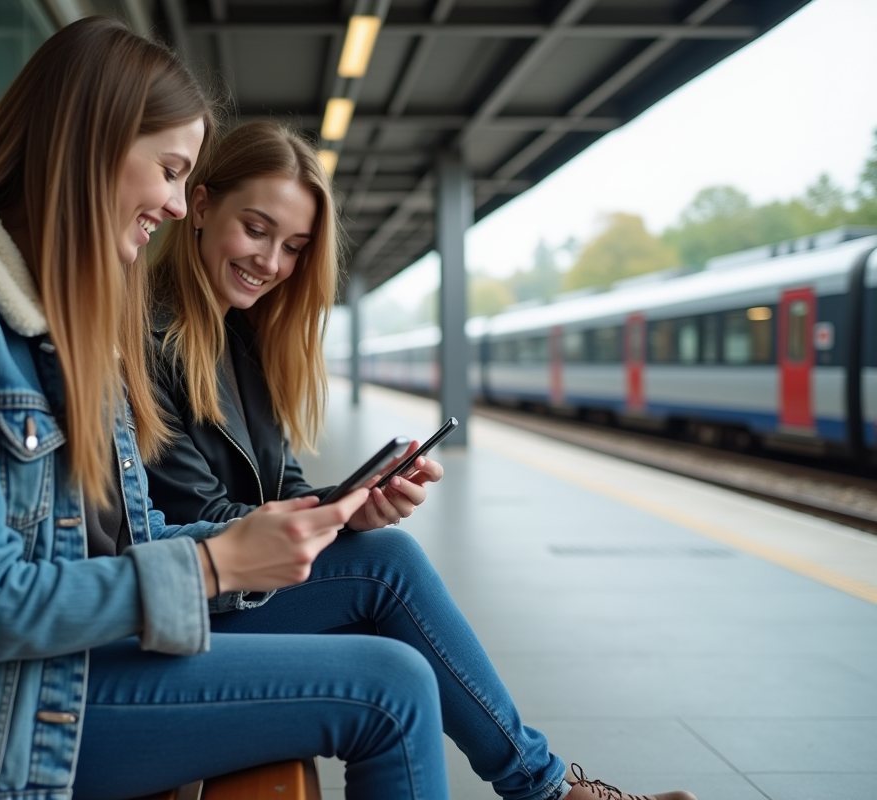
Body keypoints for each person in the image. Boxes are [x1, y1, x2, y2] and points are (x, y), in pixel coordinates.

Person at [0, 19, 471, 800]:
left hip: (65, 668)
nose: (170, 201)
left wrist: (253, 542)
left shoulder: (67, 317)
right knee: (388, 688)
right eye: (167, 169)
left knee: (387, 617)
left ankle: (544, 783)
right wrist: (219, 562)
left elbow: (127, 538)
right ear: (88, 143)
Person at [147, 119, 698, 800]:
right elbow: (202, 518)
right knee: (389, 570)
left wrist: (358, 503)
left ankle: (546, 788)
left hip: (229, 590)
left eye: (293, 246)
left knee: (386, 565)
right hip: (190, 595)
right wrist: (342, 518)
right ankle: (547, 790)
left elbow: (282, 487)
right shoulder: (148, 339)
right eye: (256, 230)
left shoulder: (244, 338)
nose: (272, 262)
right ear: (200, 206)